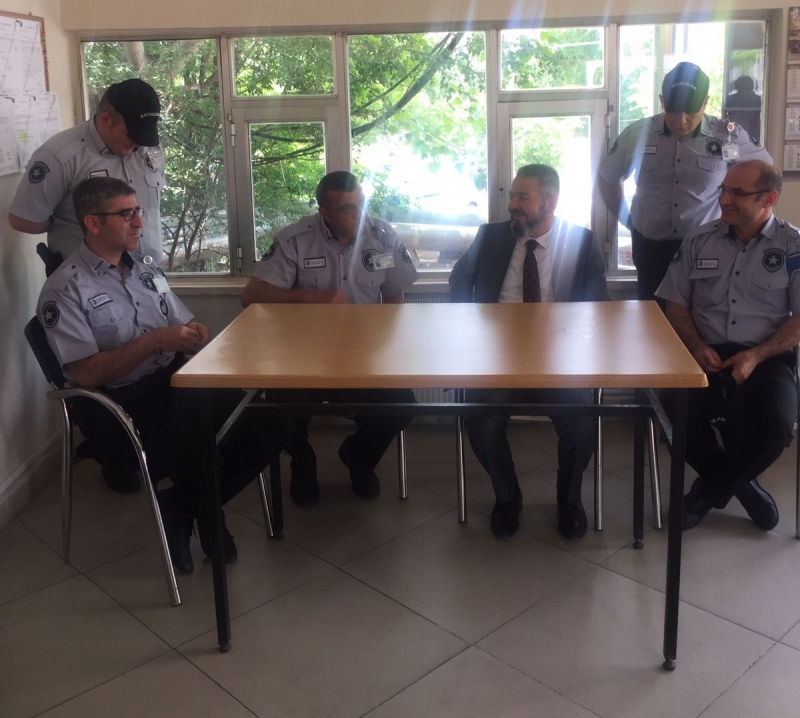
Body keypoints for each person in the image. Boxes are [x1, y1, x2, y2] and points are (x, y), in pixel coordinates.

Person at [37, 176, 290, 574]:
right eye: (126, 214)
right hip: (119, 401)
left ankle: (182, 508)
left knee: (275, 419)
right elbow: (87, 373)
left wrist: (193, 333)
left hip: (174, 379)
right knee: (197, 432)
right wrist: (155, 341)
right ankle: (209, 517)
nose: (139, 222)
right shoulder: (65, 289)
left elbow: (180, 323)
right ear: (92, 223)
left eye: (137, 211)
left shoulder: (145, 271)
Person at [449, 163, 609, 540]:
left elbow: (599, 308)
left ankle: (569, 501)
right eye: (512, 196)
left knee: (581, 422)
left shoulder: (581, 241)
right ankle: (507, 498)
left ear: (549, 203)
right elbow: (459, 281)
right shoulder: (491, 237)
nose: (512, 205)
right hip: (498, 357)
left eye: (523, 197)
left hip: (559, 358)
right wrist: (467, 328)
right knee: (481, 421)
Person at [240, 170, 419, 504]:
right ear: (324, 212)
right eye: (347, 209)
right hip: (304, 357)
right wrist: (311, 297)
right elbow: (251, 296)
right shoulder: (295, 239)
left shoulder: (382, 235)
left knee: (402, 406)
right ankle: (302, 460)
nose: (359, 214)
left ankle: (358, 457)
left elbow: (395, 296)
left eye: (361, 203)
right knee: (279, 409)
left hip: (365, 357)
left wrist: (391, 350)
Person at [656, 160, 800, 532]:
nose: (724, 199)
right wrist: (695, 346)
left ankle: (708, 492)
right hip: (702, 352)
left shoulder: (793, 245)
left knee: (778, 426)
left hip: (764, 355)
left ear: (768, 199)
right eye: (723, 189)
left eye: (737, 193)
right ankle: (743, 488)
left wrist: (755, 356)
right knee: (672, 411)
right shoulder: (698, 239)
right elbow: (675, 303)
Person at [596, 62, 769, 301]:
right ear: (662, 101)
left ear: (705, 103)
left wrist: (740, 219)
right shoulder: (637, 134)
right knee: (652, 315)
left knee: (704, 314)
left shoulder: (727, 136)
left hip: (707, 247)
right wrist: (628, 220)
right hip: (651, 247)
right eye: (673, 111)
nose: (681, 120)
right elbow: (607, 177)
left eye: (690, 112)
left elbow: (765, 175)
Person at [10, 78, 165, 268]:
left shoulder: (148, 148)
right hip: (87, 280)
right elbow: (23, 220)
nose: (138, 144)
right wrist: (69, 221)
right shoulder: (59, 156)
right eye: (131, 135)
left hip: (149, 274)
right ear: (105, 120)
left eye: (144, 136)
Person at [723, 75, 762, 144]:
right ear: (752, 86)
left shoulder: (731, 99)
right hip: (747, 134)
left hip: (741, 134)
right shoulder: (758, 99)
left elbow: (725, 117)